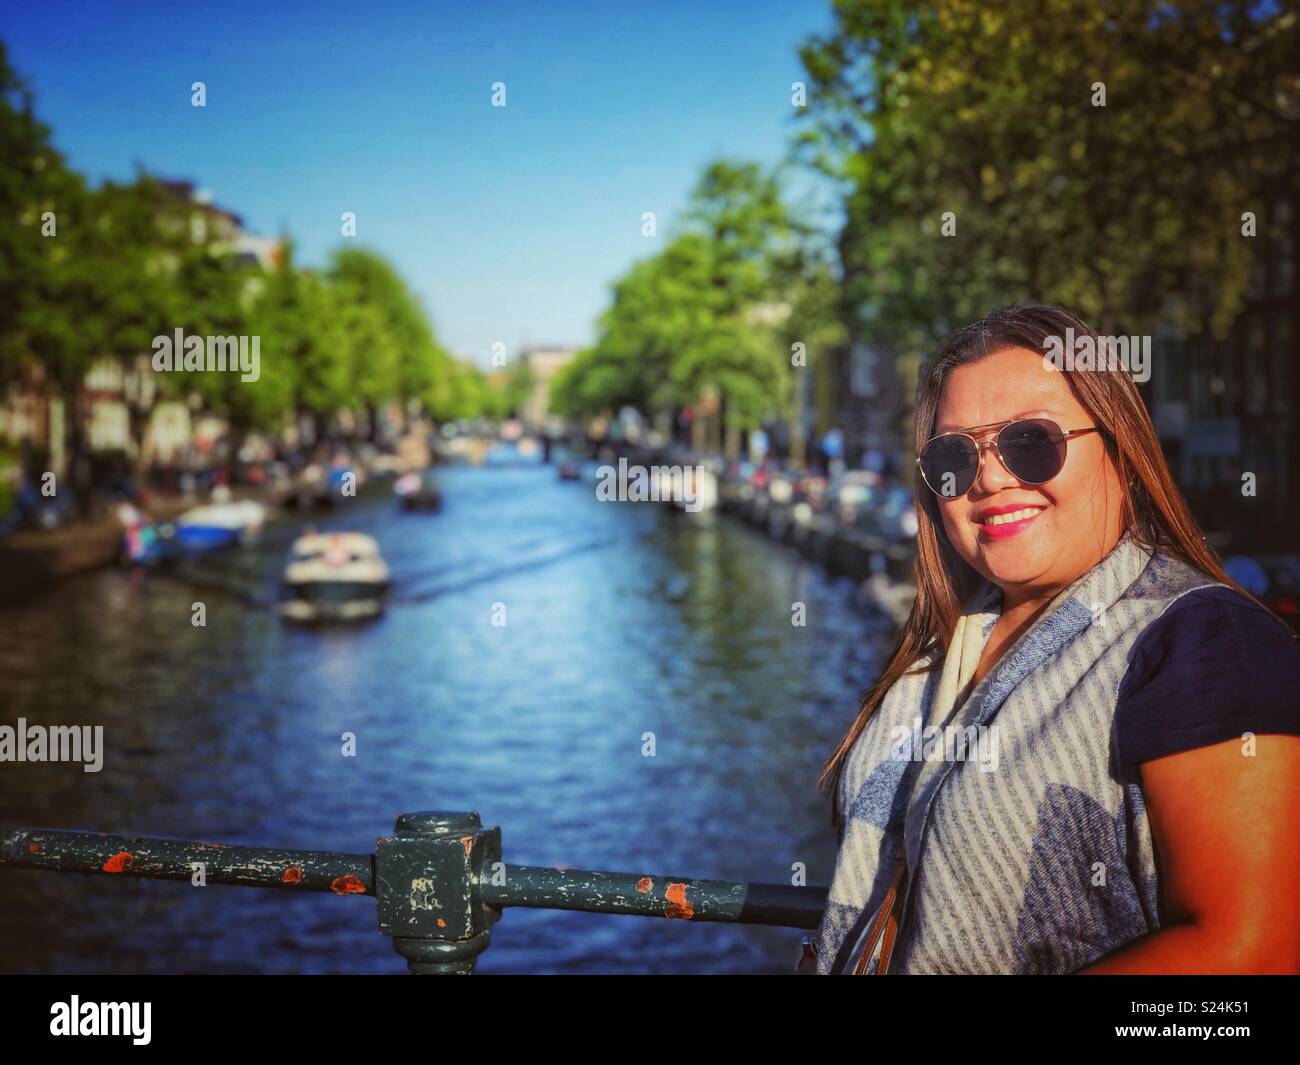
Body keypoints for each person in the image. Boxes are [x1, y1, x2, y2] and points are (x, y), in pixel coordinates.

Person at [804, 304, 1300, 975]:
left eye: (1030, 441)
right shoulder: (945, 650)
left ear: (1121, 455)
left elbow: (1252, 953)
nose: (988, 477)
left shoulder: (1203, 641)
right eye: (953, 456)